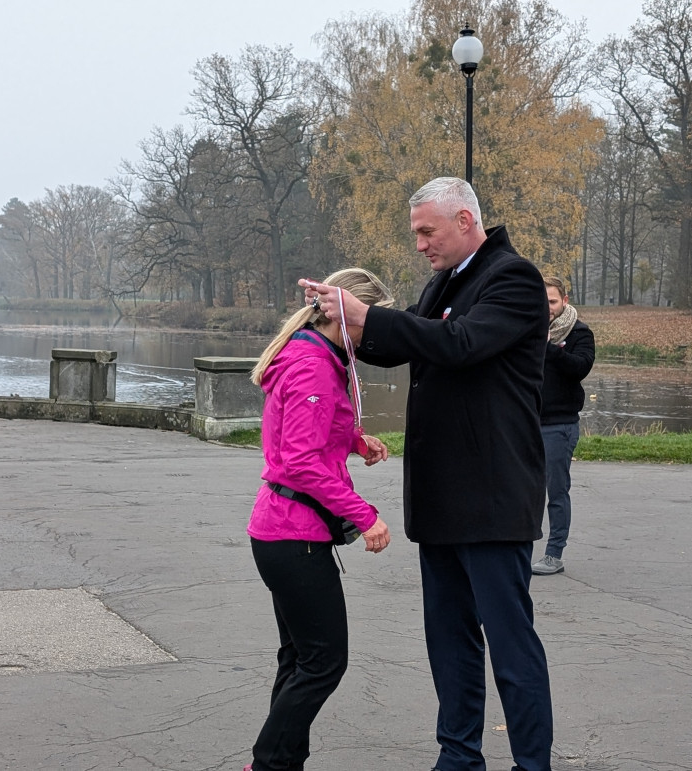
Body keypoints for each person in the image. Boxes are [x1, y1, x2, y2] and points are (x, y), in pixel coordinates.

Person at [303, 177, 554, 771]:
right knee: (449, 643)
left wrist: (372, 316)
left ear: (465, 221)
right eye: (416, 232)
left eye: (427, 231)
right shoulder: (446, 280)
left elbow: (460, 343)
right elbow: (407, 344)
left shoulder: (513, 278)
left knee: (511, 647)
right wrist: (343, 322)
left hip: (493, 500)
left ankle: (532, 765)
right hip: (442, 498)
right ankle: (459, 757)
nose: (419, 244)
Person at [244, 267, 395, 771]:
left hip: (281, 530)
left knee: (300, 660)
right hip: (294, 534)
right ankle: (268, 763)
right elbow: (302, 462)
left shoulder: (312, 352)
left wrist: (354, 439)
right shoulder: (313, 363)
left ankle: (281, 763)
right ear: (345, 316)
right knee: (324, 662)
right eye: (368, 321)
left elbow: (301, 429)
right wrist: (365, 515)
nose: (371, 333)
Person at [531, 277, 596, 576]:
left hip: (560, 425)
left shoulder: (580, 333)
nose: (547, 308)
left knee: (556, 491)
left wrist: (550, 348)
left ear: (565, 300)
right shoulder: (527, 331)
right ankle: (519, 549)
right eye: (542, 302)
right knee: (523, 490)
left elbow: (580, 368)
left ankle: (554, 554)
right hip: (526, 423)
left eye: (552, 302)